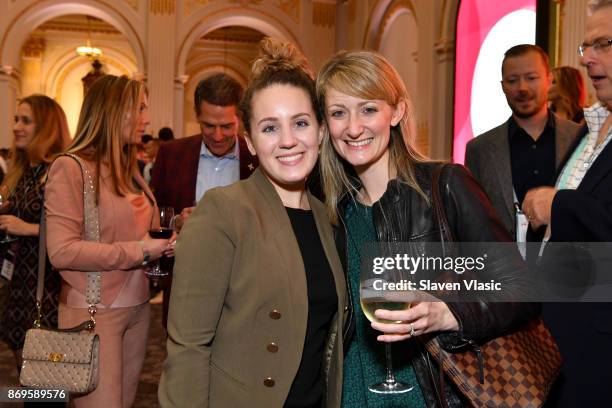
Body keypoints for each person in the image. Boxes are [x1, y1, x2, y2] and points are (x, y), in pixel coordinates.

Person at [316, 50, 540, 407]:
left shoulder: (445, 185)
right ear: (326, 125)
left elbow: (520, 286)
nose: (353, 127)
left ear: (397, 111)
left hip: (430, 392)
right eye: (339, 113)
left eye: (369, 109)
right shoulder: (333, 211)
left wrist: (451, 313)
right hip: (353, 393)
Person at [158, 37, 347, 408]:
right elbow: (188, 349)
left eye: (301, 123)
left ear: (321, 132)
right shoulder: (223, 212)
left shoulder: (327, 220)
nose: (289, 141)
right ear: (250, 140)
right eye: (270, 128)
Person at [44, 75, 172, 408]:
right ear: (112, 112)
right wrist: (141, 250)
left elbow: (141, 232)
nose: (146, 118)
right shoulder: (71, 168)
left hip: (139, 310)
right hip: (94, 313)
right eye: (139, 108)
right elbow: (61, 251)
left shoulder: (129, 168)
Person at [522, 1, 612, 406]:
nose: (588, 58)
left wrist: (557, 205)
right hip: (553, 350)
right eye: (585, 47)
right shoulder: (589, 127)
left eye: (603, 44)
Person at [151, 72, 258, 327]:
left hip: (244, 286)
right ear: (197, 117)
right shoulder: (172, 154)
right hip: (185, 284)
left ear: (240, 120)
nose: (218, 136)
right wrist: (177, 221)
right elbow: (155, 214)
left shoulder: (258, 158)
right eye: (209, 126)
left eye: (227, 126)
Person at [465, 45, 580, 255]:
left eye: (531, 77)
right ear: (502, 86)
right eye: (512, 80)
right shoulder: (479, 150)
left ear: (549, 79)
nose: (522, 88)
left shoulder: (580, 138)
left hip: (571, 274)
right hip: (504, 278)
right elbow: (472, 223)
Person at [0, 94, 70, 375]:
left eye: (26, 121)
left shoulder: (58, 170)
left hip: (45, 289)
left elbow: (76, 230)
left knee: (46, 383)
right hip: (17, 288)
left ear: (47, 127)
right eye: (16, 119)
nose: (17, 126)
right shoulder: (22, 170)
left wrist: (26, 227)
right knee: (28, 380)